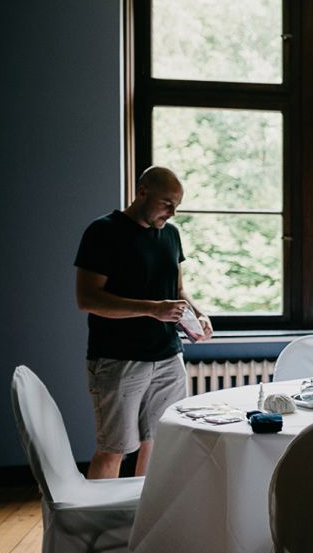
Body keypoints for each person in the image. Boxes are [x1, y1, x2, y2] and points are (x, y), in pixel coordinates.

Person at [75, 166, 213, 480]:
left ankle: (144, 518)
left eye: (177, 205)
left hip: (168, 357)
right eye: (167, 203)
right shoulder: (103, 231)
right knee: (114, 448)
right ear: (142, 192)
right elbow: (88, 299)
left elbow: (177, 291)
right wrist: (152, 309)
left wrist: (199, 314)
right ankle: (95, 524)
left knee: (161, 443)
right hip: (117, 359)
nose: (173, 212)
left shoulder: (171, 235)